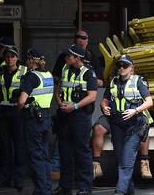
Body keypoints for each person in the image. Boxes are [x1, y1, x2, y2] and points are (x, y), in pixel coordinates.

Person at [101, 55, 153, 195]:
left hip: (135, 124)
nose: (121, 68)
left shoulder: (138, 81)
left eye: (125, 66)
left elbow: (149, 102)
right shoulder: (113, 82)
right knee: (120, 159)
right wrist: (104, 106)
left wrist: (135, 110)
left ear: (131, 68)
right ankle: (129, 191)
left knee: (126, 160)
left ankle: (120, 191)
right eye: (119, 66)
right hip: (117, 124)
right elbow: (104, 100)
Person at [54, 44, 97, 195]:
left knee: (82, 151)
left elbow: (92, 96)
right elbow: (58, 88)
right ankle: (65, 186)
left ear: (77, 58)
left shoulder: (88, 73)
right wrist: (59, 103)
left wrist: (76, 106)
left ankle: (85, 187)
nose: (66, 58)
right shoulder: (65, 69)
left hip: (80, 116)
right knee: (64, 151)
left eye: (69, 56)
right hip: (65, 115)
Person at [18, 49, 54, 195]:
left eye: (27, 59)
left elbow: (21, 100)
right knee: (44, 156)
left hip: (33, 119)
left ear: (32, 60)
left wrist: (18, 110)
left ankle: (41, 191)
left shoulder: (31, 77)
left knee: (36, 157)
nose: (26, 62)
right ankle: (47, 188)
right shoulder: (48, 75)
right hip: (46, 118)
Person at [0, 45, 26, 191]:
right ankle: (4, 178)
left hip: (18, 112)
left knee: (19, 147)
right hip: (3, 113)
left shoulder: (24, 72)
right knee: (4, 147)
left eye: (12, 56)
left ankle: (18, 179)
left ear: (17, 58)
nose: (9, 59)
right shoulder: (0, 71)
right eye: (7, 56)